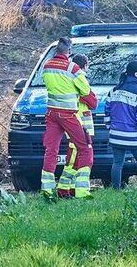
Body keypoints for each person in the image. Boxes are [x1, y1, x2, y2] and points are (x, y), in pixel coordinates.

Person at [40, 37, 93, 200]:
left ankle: (48, 191)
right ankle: (83, 193)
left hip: (51, 114)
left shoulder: (46, 66)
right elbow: (85, 90)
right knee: (85, 148)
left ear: (56, 50)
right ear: (68, 52)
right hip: (68, 114)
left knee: (51, 151)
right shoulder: (73, 68)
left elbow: (46, 83)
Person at [107, 60, 137, 189]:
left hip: (116, 135)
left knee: (117, 163)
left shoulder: (114, 91)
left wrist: (111, 129)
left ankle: (115, 191)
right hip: (135, 137)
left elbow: (107, 113)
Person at [57, 53, 96, 199]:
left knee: (74, 159)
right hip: (80, 127)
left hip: (73, 125)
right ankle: (75, 191)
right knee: (79, 159)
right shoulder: (80, 80)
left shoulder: (66, 81)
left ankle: (68, 189)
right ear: (84, 66)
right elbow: (93, 102)